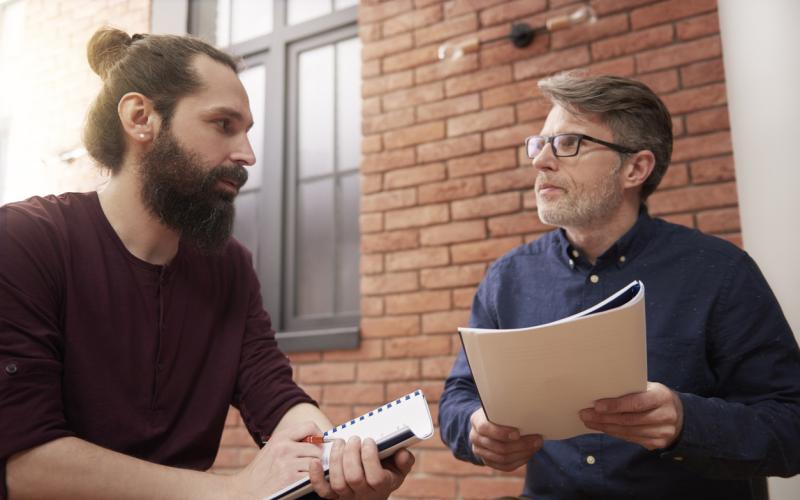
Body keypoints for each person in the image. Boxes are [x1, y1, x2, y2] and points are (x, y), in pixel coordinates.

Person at [0, 28, 413, 500]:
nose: (248, 156)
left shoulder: (230, 267)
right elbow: (25, 461)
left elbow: (275, 397)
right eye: (223, 125)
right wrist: (234, 491)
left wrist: (333, 457)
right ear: (141, 118)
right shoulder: (26, 240)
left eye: (247, 132)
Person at [438, 72, 800, 499]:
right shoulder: (508, 279)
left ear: (635, 168)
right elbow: (458, 396)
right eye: (540, 143)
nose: (541, 161)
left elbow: (790, 426)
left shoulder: (722, 273)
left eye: (568, 144)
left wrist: (687, 421)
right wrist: (475, 427)